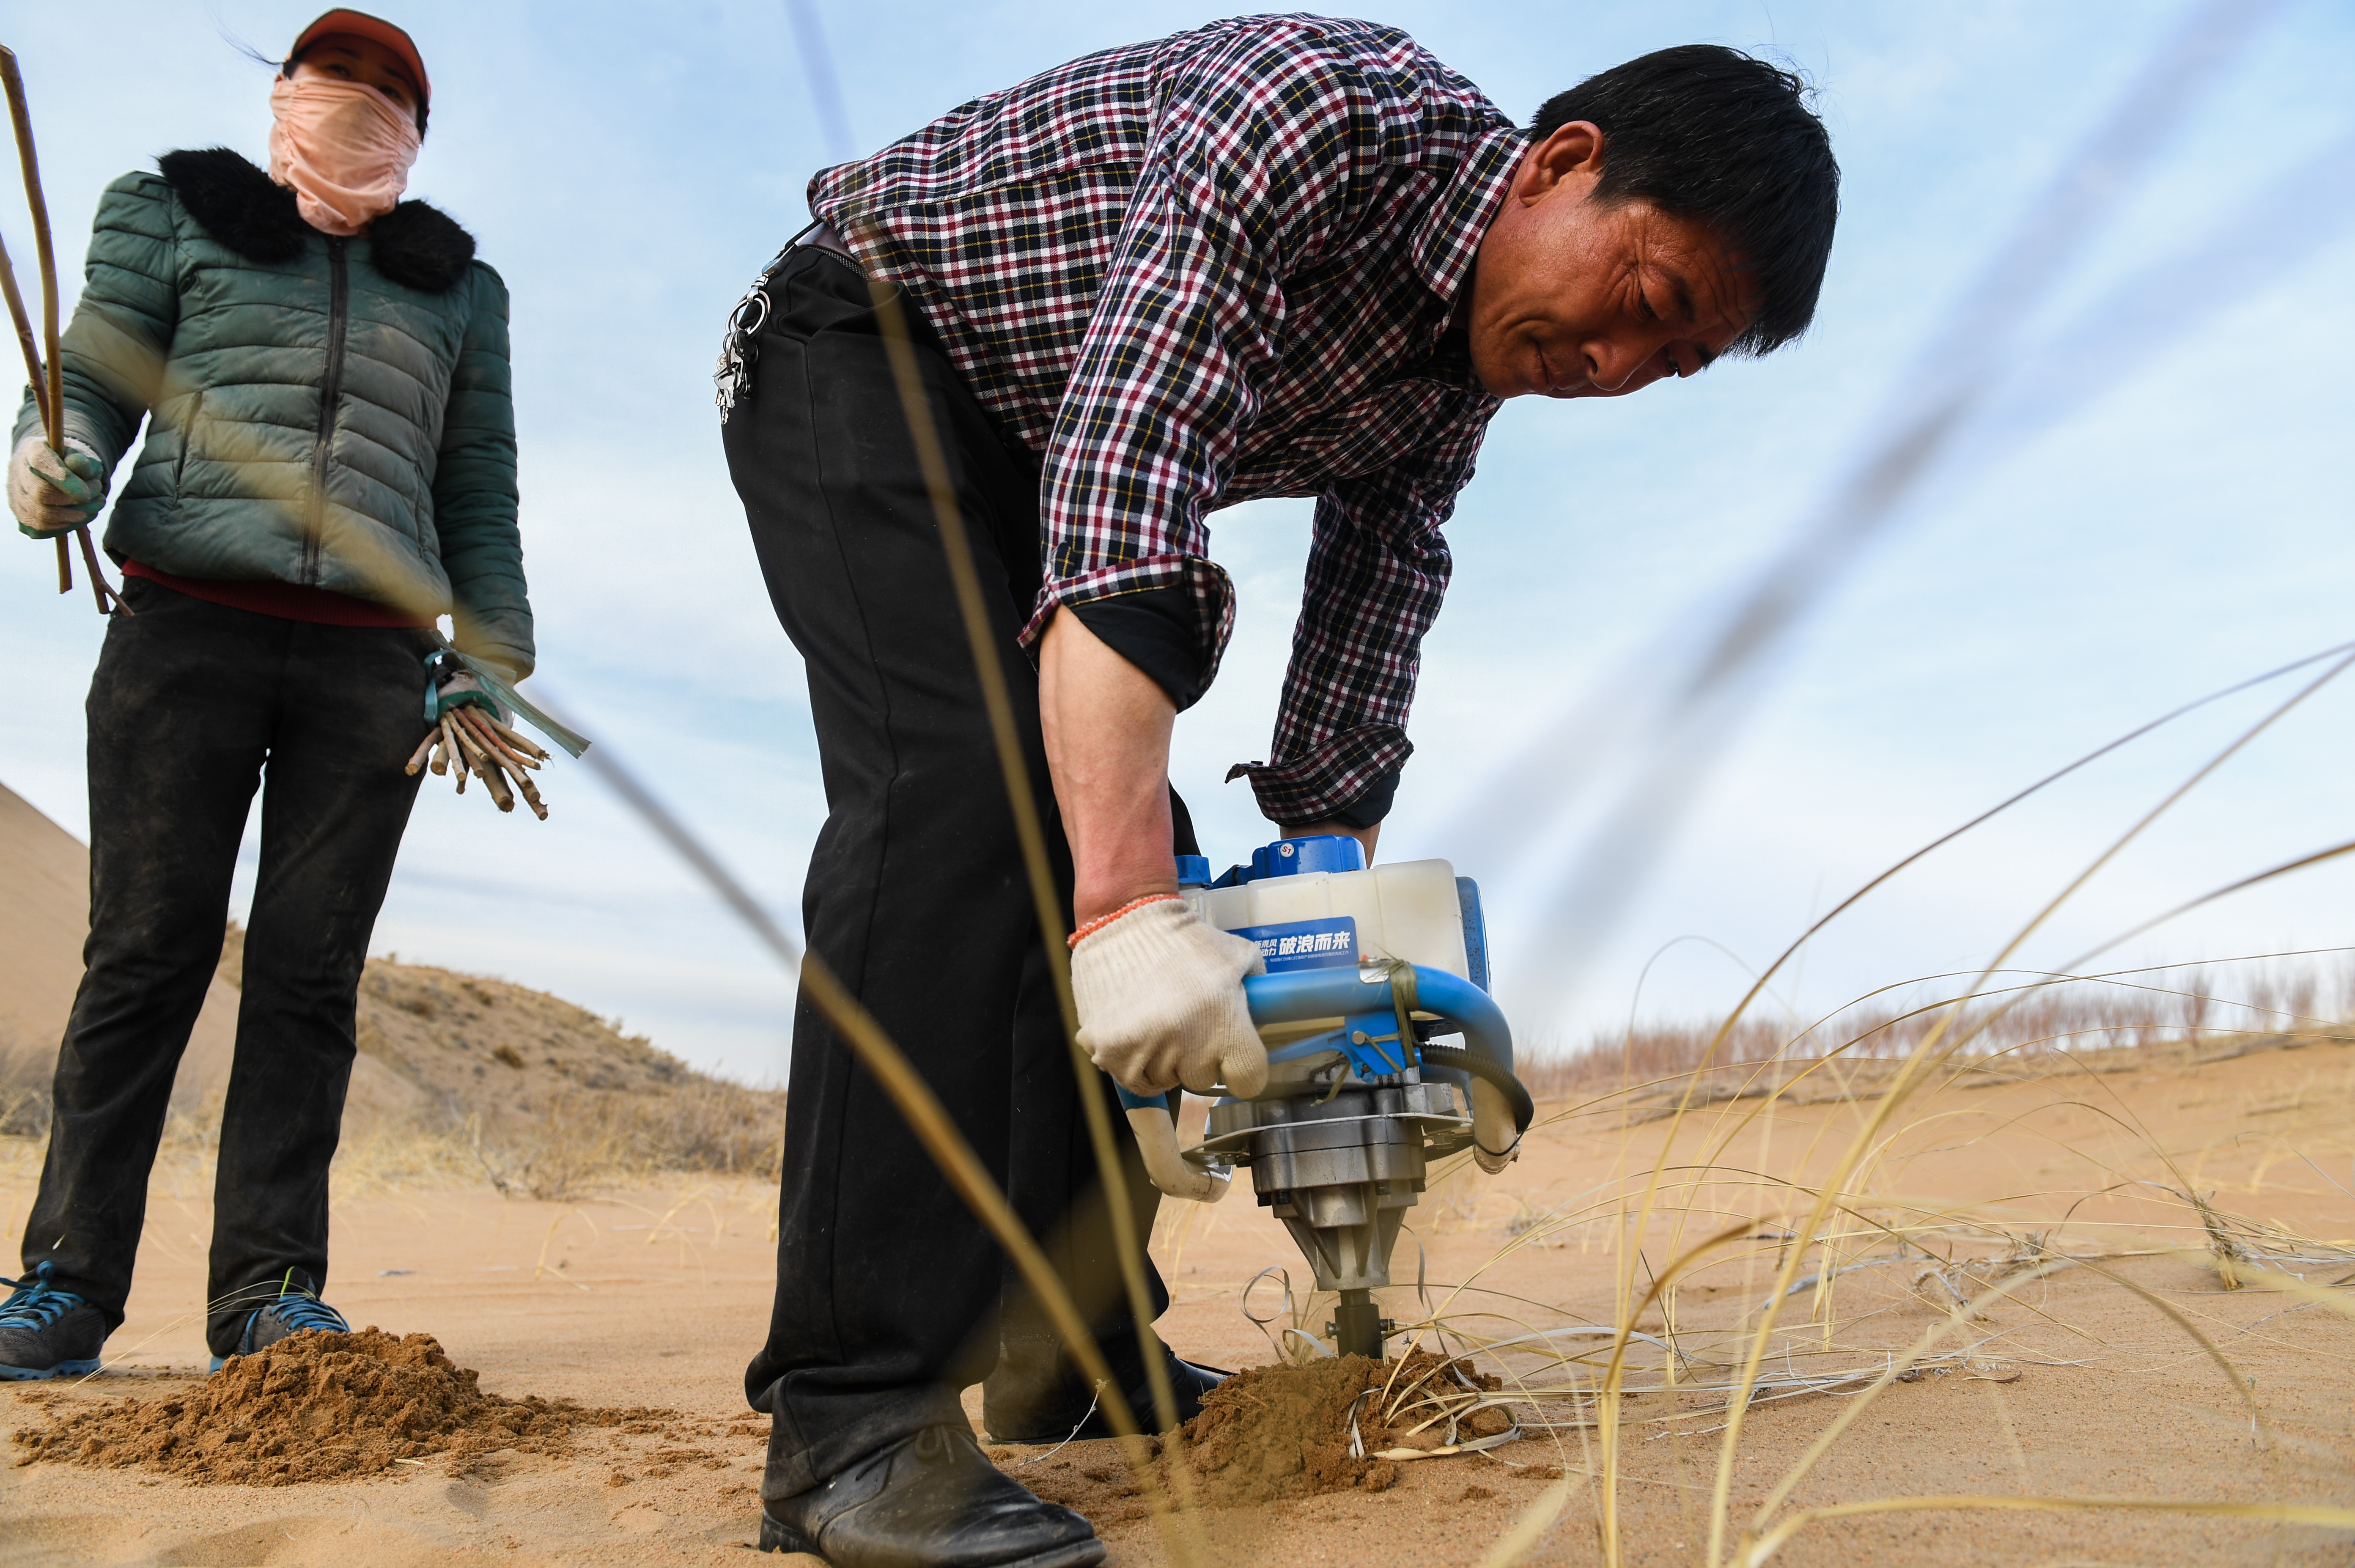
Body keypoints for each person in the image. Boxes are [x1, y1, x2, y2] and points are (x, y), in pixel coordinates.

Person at [719, 16, 1837, 1564]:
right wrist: (1118, 908)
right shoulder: (1316, 113)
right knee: (967, 804)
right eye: (1643, 301)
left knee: (1160, 856)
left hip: (1035, 451)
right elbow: (1132, 466)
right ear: (1562, 167)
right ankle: (849, 1422)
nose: (1618, 366)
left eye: (1674, 362)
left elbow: (1374, 612)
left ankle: (1073, 1350)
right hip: (865, 349)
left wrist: (1321, 933)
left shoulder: (1455, 384)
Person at [0, 9, 528, 1380]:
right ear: (287, 91)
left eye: (390, 88)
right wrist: (51, 461)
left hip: (376, 665)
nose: (357, 97)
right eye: (335, 73)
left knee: (308, 977)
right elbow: (93, 379)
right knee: (143, 953)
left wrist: (494, 652)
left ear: (418, 131)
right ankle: (62, 1282)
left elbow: (476, 483)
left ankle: (270, 1295)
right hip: (187, 627)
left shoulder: (459, 289)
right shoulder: (171, 211)